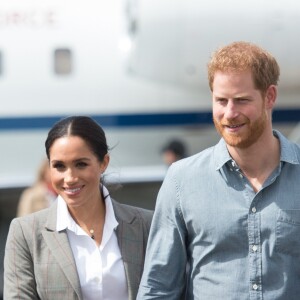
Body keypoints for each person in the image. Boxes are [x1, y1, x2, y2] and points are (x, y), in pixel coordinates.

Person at [137, 41, 300, 299]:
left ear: (270, 96)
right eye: (221, 100)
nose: (229, 113)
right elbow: (159, 288)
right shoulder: (182, 181)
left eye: (241, 100)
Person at [4, 116, 153, 300]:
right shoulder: (25, 233)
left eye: (81, 164)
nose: (69, 178)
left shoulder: (146, 225)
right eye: (59, 166)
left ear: (103, 163)